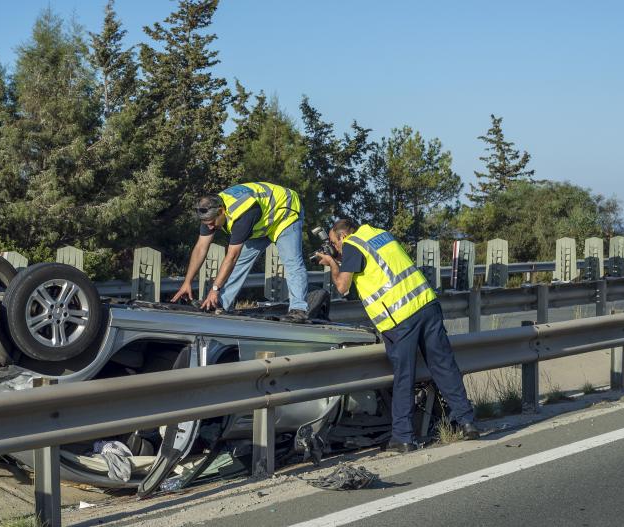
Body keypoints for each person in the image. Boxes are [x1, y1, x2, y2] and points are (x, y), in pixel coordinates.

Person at [316, 218, 479, 452]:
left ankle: (403, 437)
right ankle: (467, 422)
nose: (336, 247)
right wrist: (340, 258)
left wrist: (331, 262)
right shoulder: (380, 235)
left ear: (342, 236)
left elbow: (342, 287)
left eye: (334, 243)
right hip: (426, 304)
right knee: (444, 365)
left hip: (400, 317)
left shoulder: (352, 244)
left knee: (404, 376)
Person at [170, 182, 309, 320]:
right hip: (262, 221)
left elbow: (232, 256)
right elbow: (200, 248)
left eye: (212, 223)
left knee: (292, 262)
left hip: (284, 212)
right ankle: (220, 303)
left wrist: (214, 289)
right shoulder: (209, 212)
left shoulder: (242, 215)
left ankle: (299, 309)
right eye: (207, 224)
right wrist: (187, 282)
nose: (210, 228)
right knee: (239, 264)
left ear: (221, 211)